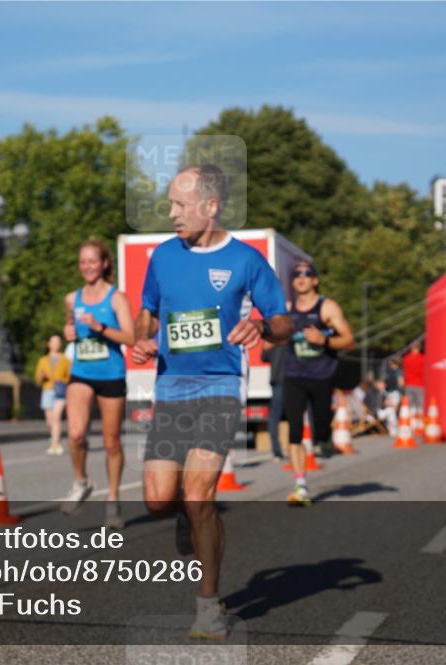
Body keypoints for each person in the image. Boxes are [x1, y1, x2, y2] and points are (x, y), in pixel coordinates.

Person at [131, 164, 292, 640]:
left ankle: (208, 606)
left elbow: (283, 322)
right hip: (171, 389)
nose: (171, 213)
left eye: (180, 205)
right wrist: (144, 338)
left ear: (211, 206)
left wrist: (262, 326)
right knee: (160, 501)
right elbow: (147, 311)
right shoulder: (162, 256)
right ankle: (183, 514)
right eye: (170, 204)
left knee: (200, 494)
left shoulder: (245, 261)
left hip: (220, 388)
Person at [61, 239, 135, 530]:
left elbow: (130, 338)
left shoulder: (117, 298)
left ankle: (113, 498)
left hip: (112, 375)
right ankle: (81, 481)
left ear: (104, 263)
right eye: (83, 262)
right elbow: (70, 326)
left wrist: (100, 328)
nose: (88, 267)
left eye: (93, 261)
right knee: (77, 433)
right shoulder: (72, 298)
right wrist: (68, 331)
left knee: (111, 441)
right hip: (82, 372)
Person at [282, 259, 355, 505]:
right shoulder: (287, 309)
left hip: (322, 375)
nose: (301, 278)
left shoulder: (327, 308)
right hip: (294, 374)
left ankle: (324, 436)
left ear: (315, 280)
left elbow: (348, 340)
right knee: (294, 429)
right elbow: (273, 337)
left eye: (306, 274)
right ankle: (300, 483)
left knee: (321, 427)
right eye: (296, 275)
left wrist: (323, 341)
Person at [34, 334, 72, 455]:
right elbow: (37, 378)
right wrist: (41, 377)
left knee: (56, 417)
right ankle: (55, 438)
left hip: (60, 391)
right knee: (50, 420)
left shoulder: (66, 360)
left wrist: (63, 382)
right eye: (53, 341)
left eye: (58, 342)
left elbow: (70, 377)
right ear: (49, 344)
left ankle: (55, 444)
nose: (55, 344)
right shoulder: (43, 360)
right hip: (47, 389)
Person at [261, 341, 287, 462]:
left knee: (274, 417)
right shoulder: (290, 337)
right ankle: (278, 450)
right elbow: (264, 357)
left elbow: (264, 357)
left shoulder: (274, 341)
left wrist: (266, 347)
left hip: (281, 382)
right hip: (285, 382)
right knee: (294, 416)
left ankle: (277, 451)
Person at [401, 342, 425, 413]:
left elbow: (404, 370)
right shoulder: (422, 358)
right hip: (420, 383)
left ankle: (411, 422)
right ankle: (419, 422)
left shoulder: (406, 358)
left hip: (409, 383)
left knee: (411, 405)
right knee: (420, 405)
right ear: (419, 348)